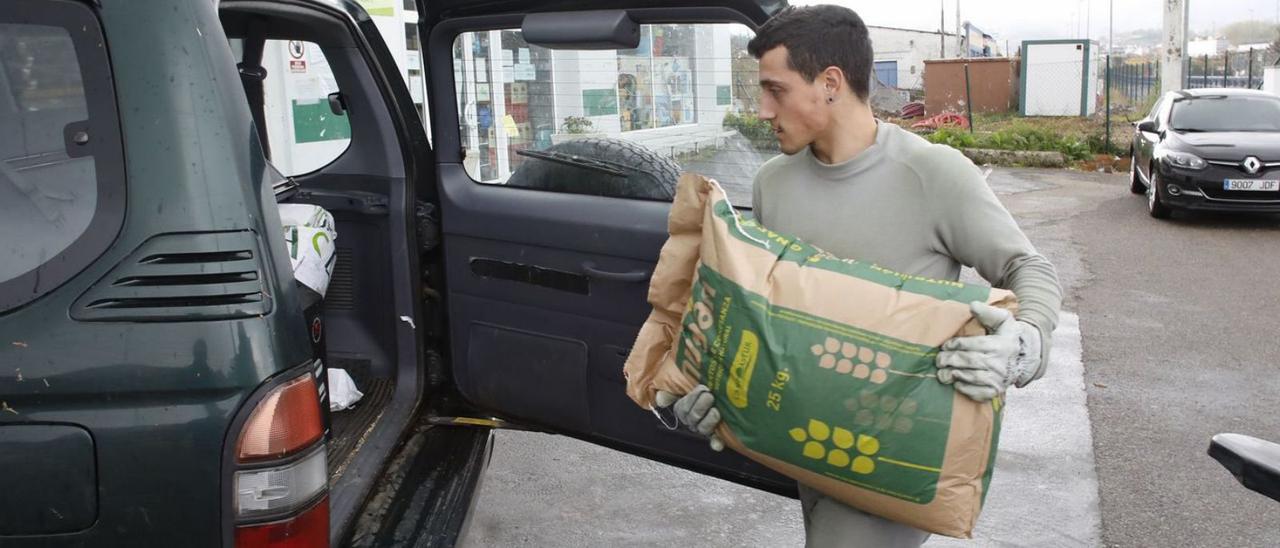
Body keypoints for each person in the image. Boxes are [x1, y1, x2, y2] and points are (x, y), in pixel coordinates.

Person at [655, 5, 1062, 547]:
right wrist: (710, 394)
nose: (761, 109)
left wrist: (1026, 342)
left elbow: (1027, 266)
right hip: (802, 445)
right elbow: (767, 313)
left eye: (775, 90)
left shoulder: (932, 173)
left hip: (887, 452)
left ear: (830, 84)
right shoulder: (773, 183)